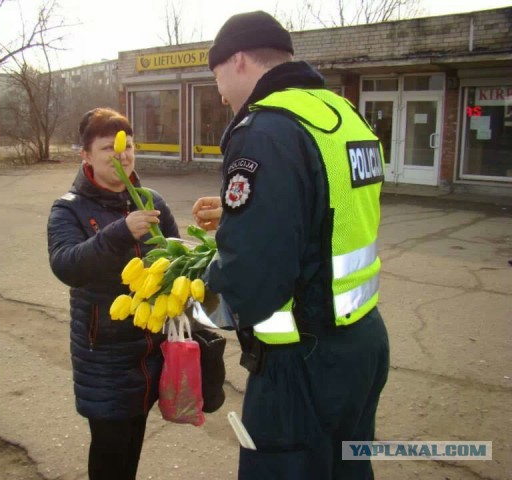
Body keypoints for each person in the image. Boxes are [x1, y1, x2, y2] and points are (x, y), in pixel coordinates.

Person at [192, 11, 390, 480]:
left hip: (302, 361)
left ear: (238, 60)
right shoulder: (343, 115)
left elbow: (252, 279)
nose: (219, 91)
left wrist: (195, 297)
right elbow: (330, 211)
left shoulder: (265, 130)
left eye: (217, 73)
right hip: (361, 344)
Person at [46, 107, 180, 480]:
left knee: (132, 442)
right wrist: (119, 232)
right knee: (110, 450)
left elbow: (176, 257)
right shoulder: (69, 209)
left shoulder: (150, 200)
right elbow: (66, 264)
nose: (121, 155)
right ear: (85, 155)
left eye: (127, 146)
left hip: (152, 348)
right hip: (104, 355)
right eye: (108, 148)